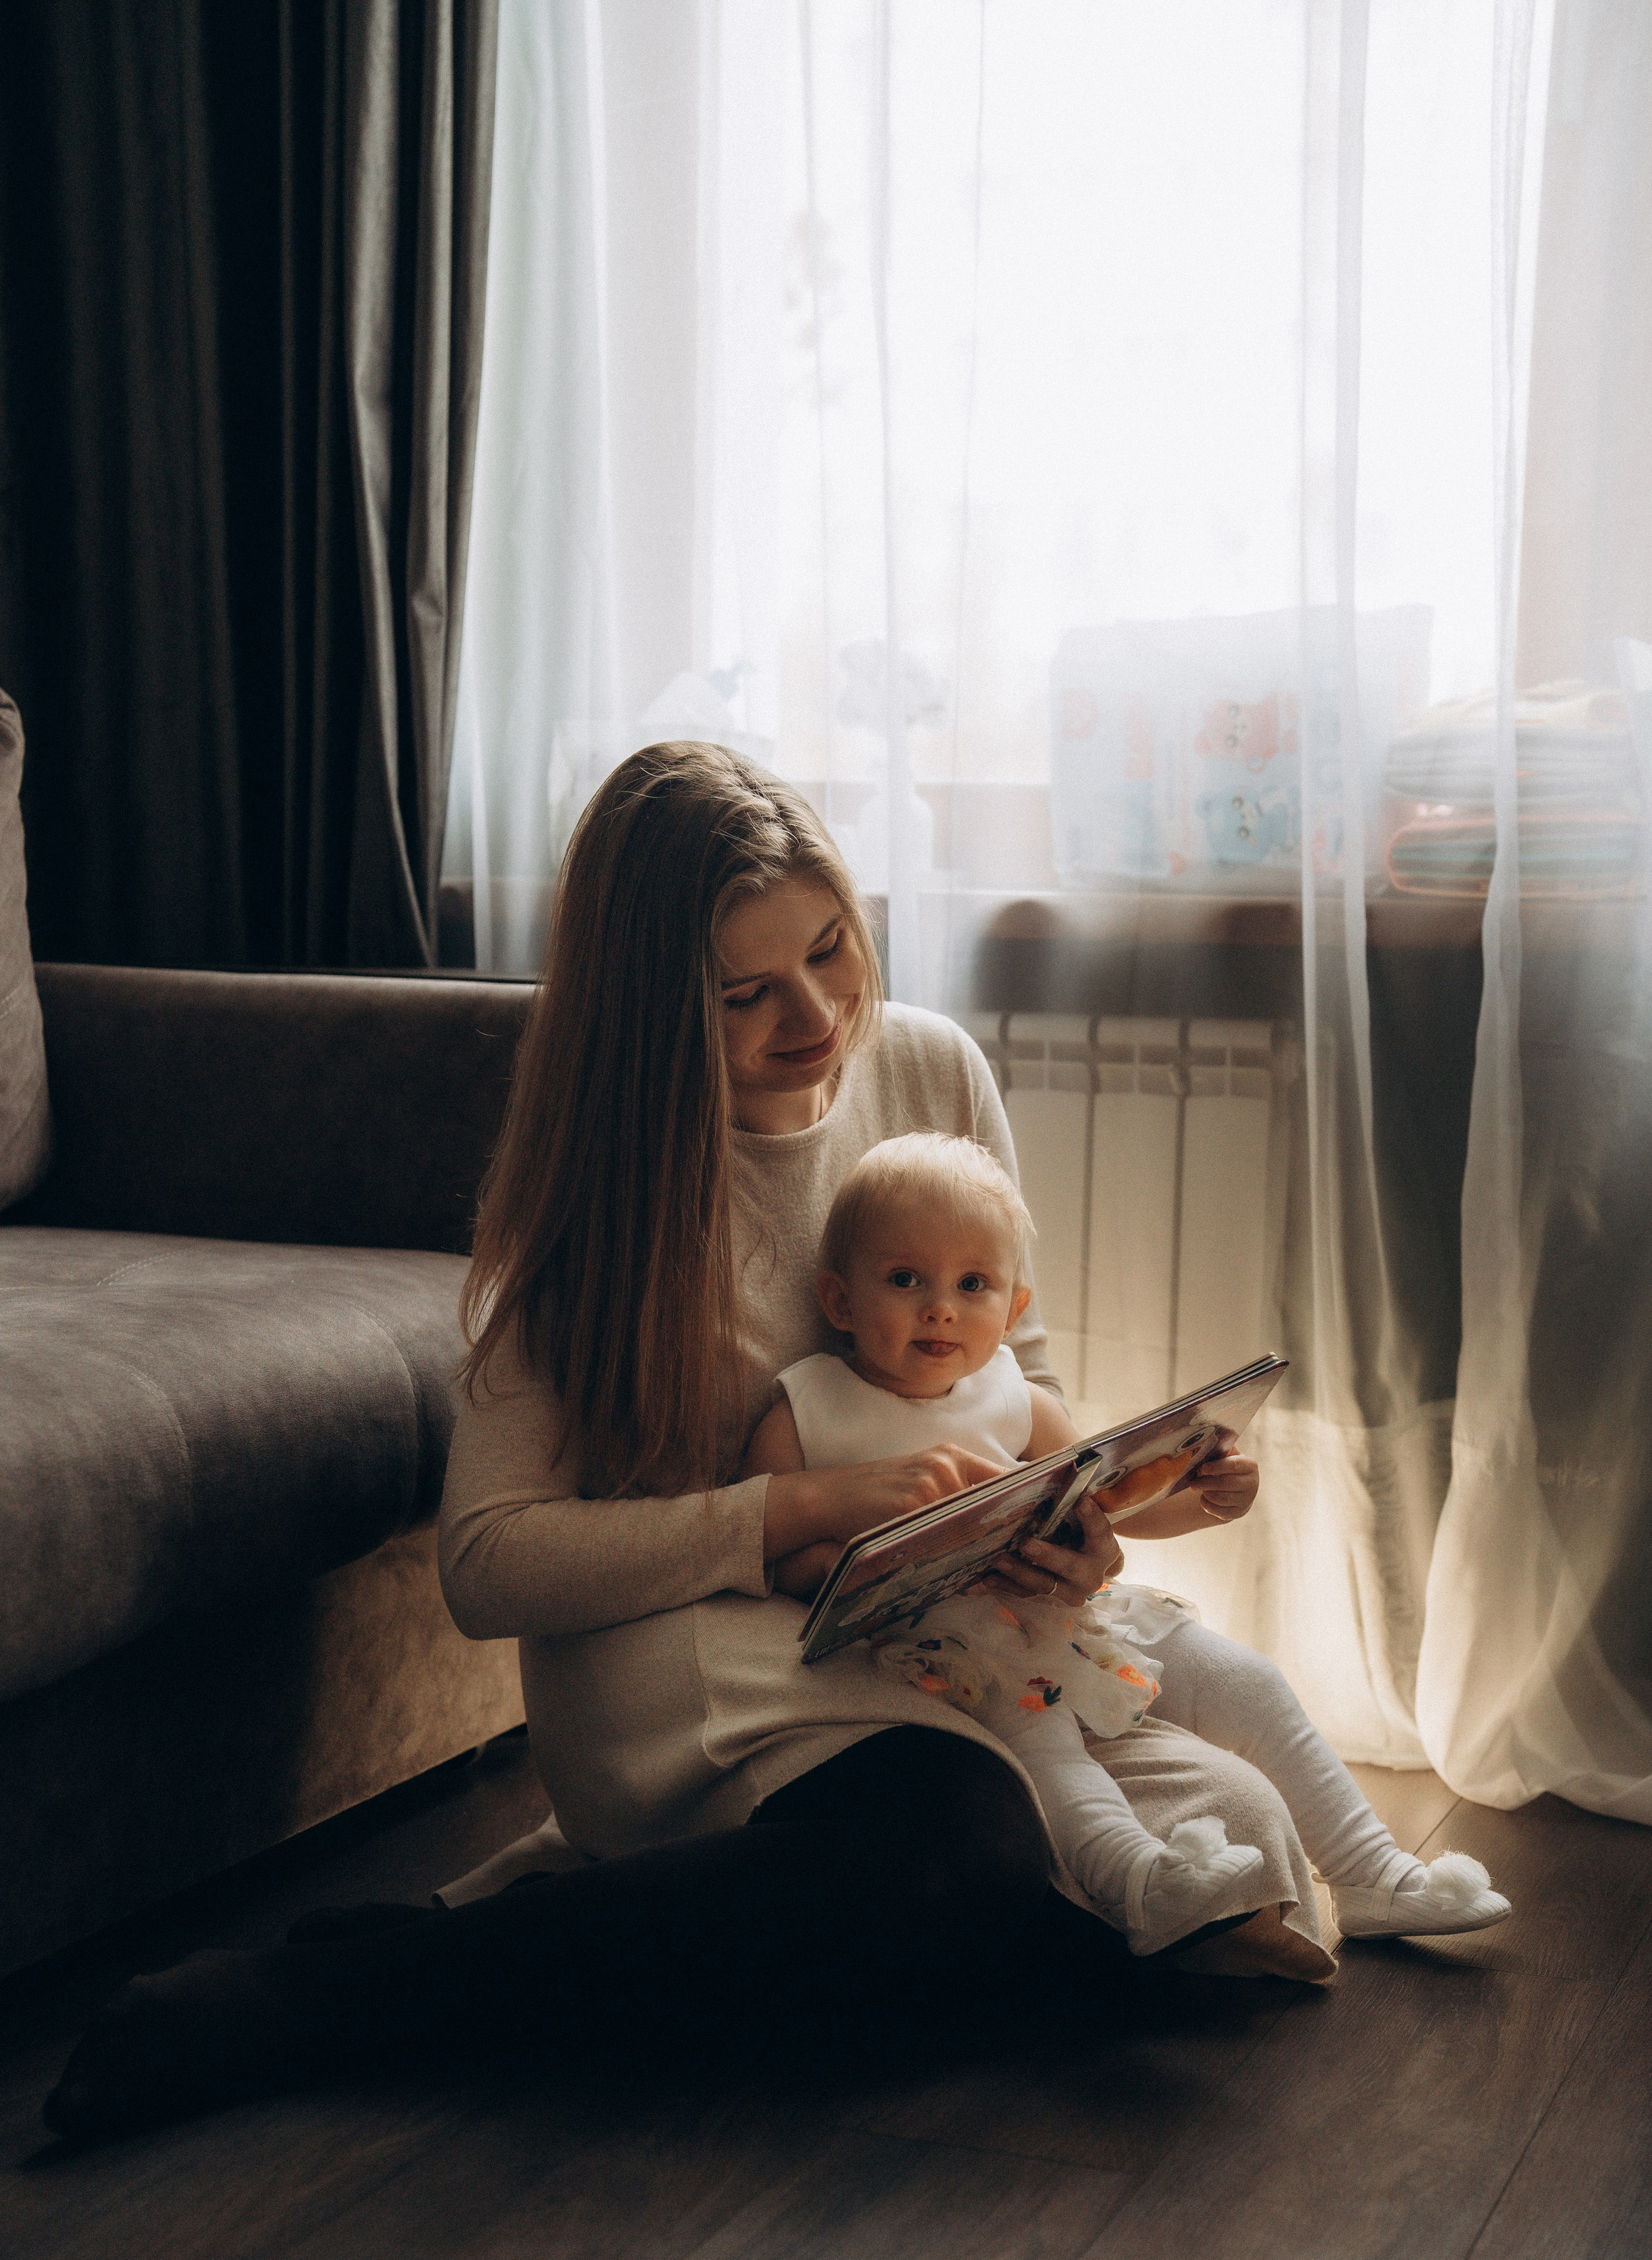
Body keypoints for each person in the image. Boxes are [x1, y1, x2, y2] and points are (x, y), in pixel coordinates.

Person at [43, 746, 1367, 2141]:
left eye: (828, 952)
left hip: (924, 1644)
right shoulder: (587, 1193)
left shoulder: (928, 1066)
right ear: (648, 1012)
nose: (813, 1016)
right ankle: (342, 1998)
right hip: (680, 1651)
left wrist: (1087, 1517)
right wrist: (787, 1507)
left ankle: (590, 1912)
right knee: (963, 1872)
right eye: (744, 995)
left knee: (1239, 1837)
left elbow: (1013, 1385)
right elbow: (487, 1568)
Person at [740, 1131, 1513, 1960]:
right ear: (839, 1299)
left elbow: (1103, 1509)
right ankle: (1140, 1881)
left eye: (973, 1284)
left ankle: (1373, 1873)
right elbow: (774, 1555)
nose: (941, 1308)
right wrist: (855, 1569)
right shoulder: (810, 1404)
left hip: (1064, 1609)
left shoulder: (1014, 1395)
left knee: (1245, 1681)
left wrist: (1202, 1500)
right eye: (905, 1280)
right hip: (942, 1647)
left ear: (1014, 1304)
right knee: (1045, 1737)